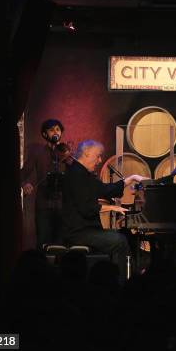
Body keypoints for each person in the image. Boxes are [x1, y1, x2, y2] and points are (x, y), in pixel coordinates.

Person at [62, 139, 149, 280]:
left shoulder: (83, 174)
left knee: (125, 234)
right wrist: (110, 207)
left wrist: (132, 178)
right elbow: (86, 208)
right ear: (86, 153)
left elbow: (107, 190)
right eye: (98, 156)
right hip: (77, 232)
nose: (100, 160)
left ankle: (132, 276)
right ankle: (121, 284)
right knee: (119, 241)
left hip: (87, 229)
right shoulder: (75, 174)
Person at [21, 119, 68, 248]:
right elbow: (23, 173)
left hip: (62, 204)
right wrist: (25, 184)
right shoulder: (38, 153)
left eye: (58, 129)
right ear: (44, 134)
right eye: (52, 130)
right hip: (43, 204)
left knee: (60, 242)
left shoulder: (65, 153)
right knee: (43, 241)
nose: (55, 132)